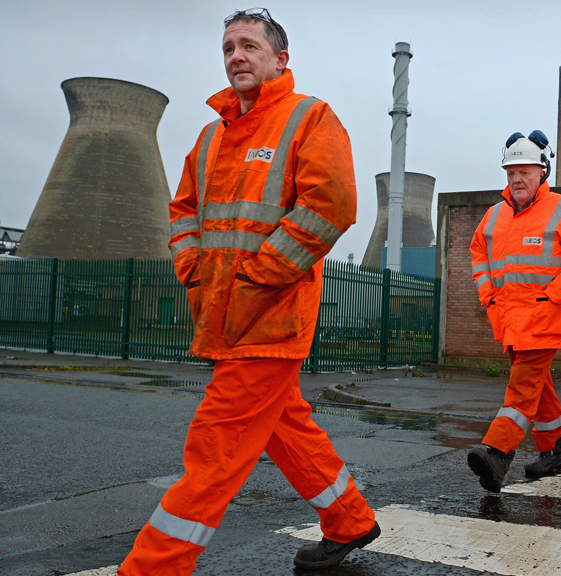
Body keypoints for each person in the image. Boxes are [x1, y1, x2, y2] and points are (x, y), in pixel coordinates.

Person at [118, 9, 378, 574]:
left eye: (249, 46)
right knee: (286, 427)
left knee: (214, 450)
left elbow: (330, 205)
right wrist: (189, 265)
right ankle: (351, 519)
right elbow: (184, 209)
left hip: (271, 316)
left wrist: (256, 277)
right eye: (229, 47)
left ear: (279, 59)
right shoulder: (211, 135)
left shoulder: (310, 118)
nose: (237, 55)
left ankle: (150, 568)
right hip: (222, 314)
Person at [468, 129, 561, 493]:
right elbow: (478, 254)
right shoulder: (494, 217)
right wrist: (487, 295)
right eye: (511, 173)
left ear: (543, 172)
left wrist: (557, 293)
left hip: (543, 319)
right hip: (507, 320)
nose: (517, 179)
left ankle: (497, 452)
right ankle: (553, 450)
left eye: (524, 171)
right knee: (538, 387)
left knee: (523, 386)